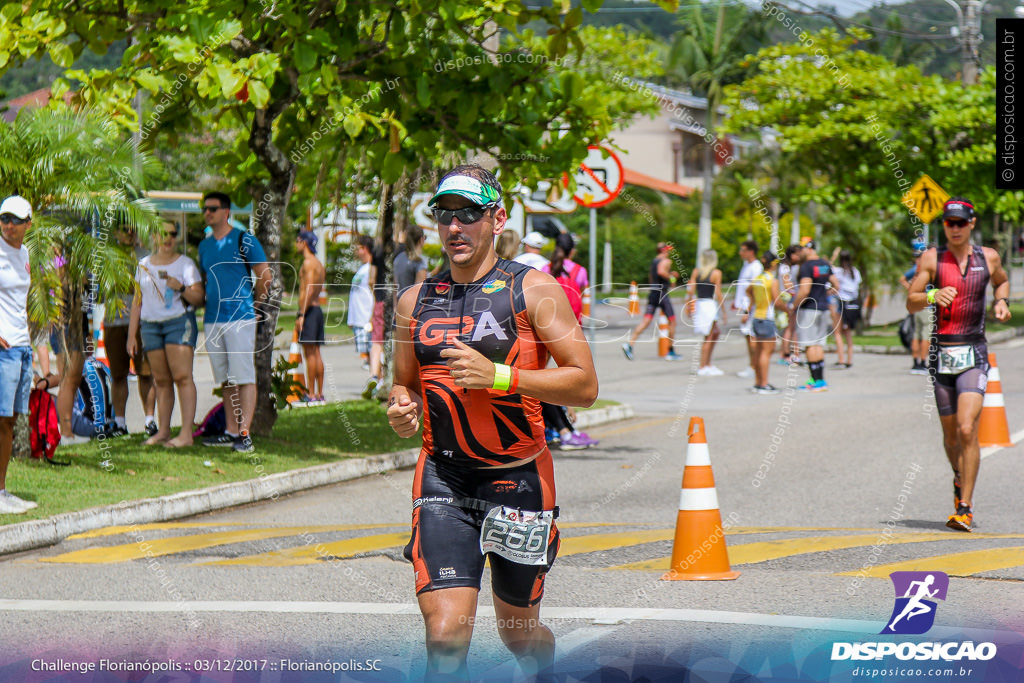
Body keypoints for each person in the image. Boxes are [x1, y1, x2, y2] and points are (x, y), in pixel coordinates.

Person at [387, 165, 598, 681]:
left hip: (518, 480)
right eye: (444, 215)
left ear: (497, 218)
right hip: (444, 477)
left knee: (518, 633)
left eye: (469, 214)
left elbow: (585, 385)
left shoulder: (534, 290)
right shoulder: (415, 301)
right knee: (445, 633)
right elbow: (402, 382)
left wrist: (501, 377)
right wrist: (401, 407)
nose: (454, 226)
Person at [907, 197, 1010, 532]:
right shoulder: (932, 258)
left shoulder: (988, 257)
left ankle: (964, 507)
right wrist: (932, 295)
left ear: (972, 224)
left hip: (974, 353)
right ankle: (959, 477)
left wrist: (1002, 301)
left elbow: (1002, 281)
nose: (953, 228)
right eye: (948, 223)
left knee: (968, 429)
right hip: (942, 354)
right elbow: (911, 301)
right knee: (951, 438)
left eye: (959, 223)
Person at [196, 192, 272, 453]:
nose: (208, 213)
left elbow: (265, 275)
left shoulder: (244, 239)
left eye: (213, 209)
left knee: (244, 376)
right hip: (213, 319)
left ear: (226, 211)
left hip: (240, 318)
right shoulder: (204, 246)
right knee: (226, 379)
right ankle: (230, 431)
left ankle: (245, 434)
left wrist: (256, 305)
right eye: (205, 209)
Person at [127, 222, 204, 447]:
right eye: (163, 233)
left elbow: (199, 299)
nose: (168, 238)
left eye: (173, 233)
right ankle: (163, 432)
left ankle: (186, 434)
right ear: (153, 236)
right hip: (150, 326)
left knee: (182, 377)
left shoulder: (185, 264)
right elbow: (137, 301)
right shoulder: (143, 265)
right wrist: (132, 335)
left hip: (178, 324)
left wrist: (181, 287)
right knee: (161, 381)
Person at [0, 196, 40, 513]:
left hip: (21, 346)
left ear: (29, 223)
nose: (8, 225)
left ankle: (2, 491)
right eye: (4, 218)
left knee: (10, 420)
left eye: (15, 220)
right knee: (1, 420)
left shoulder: (24, 252)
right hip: (3, 350)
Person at [104, 226, 156, 437]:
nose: (129, 232)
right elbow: (100, 286)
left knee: (146, 374)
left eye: (133, 229)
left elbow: (148, 290)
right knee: (118, 375)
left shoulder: (146, 257)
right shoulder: (107, 254)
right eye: (124, 229)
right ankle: (119, 423)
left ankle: (150, 421)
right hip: (113, 322)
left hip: (142, 322)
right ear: (115, 231)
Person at [790, 239, 839, 392]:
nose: (799, 253)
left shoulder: (806, 266)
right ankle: (820, 380)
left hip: (809, 309)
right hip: (823, 307)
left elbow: (804, 291)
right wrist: (824, 294)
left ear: (808, 248)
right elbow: (836, 284)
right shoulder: (824, 264)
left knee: (809, 345)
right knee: (818, 345)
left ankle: (815, 381)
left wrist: (793, 305)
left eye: (801, 249)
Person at [622, 243, 680, 361]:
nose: (669, 252)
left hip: (653, 293)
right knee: (672, 321)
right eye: (668, 250)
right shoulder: (666, 261)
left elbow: (651, 277)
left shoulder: (654, 262)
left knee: (646, 321)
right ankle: (671, 351)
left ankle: (630, 344)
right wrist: (672, 277)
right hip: (662, 294)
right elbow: (661, 272)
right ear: (664, 251)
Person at [295, 230, 327, 403]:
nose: (296, 244)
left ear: (304, 242)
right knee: (316, 352)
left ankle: (311, 393)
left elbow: (308, 290)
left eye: (297, 241)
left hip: (309, 310)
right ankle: (319, 393)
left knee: (310, 354)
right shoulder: (319, 264)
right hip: (317, 310)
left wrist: (301, 314)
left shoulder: (308, 263)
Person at [743, 251, 780, 394]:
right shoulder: (772, 280)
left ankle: (758, 383)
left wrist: (754, 302)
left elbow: (748, 290)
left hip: (756, 316)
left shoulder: (758, 278)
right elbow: (776, 300)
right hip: (767, 317)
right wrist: (787, 309)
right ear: (773, 265)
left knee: (758, 352)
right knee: (766, 352)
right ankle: (764, 384)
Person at [687, 248, 726, 376]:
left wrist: (689, 307)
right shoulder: (716, 273)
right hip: (709, 304)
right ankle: (703, 366)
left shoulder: (696, 272)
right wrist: (723, 310)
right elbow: (718, 293)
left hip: (700, 304)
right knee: (709, 337)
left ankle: (707, 364)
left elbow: (690, 291)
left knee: (714, 333)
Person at [733, 240, 763, 379]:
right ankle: (752, 365)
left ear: (751, 251)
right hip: (744, 307)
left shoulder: (756, 267)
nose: (741, 253)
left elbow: (754, 291)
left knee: (752, 338)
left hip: (751, 308)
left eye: (743, 250)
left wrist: (747, 311)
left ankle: (754, 366)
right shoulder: (746, 265)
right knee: (748, 337)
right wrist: (736, 302)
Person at [900, 246, 932, 375]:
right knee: (925, 335)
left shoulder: (915, 269)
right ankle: (923, 363)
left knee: (916, 335)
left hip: (916, 306)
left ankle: (915, 363)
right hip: (927, 306)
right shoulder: (926, 270)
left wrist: (910, 290)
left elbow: (902, 279)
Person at [349, 235, 374, 376]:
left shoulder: (371, 268)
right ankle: (373, 381)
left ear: (365, 249)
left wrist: (371, 318)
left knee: (374, 354)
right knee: (367, 356)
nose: (356, 251)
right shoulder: (362, 268)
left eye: (358, 248)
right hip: (359, 319)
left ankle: (376, 381)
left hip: (367, 319)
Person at [833, 250, 862, 369]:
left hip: (842, 303)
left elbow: (829, 269)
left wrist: (833, 256)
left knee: (838, 332)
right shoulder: (855, 271)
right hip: (853, 304)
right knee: (848, 333)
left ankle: (841, 360)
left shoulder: (839, 272)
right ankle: (849, 360)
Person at [776, 244, 803, 365]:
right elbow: (787, 284)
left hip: (790, 297)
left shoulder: (789, 266)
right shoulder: (785, 267)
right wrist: (798, 291)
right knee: (791, 327)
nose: (799, 256)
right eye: (797, 254)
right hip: (789, 297)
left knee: (790, 327)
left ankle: (785, 353)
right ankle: (790, 354)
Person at [394, 224, 430, 296]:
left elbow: (395, 287)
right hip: (412, 304)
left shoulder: (398, 258)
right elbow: (419, 291)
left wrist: (395, 306)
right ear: (421, 239)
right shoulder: (419, 260)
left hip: (400, 302)